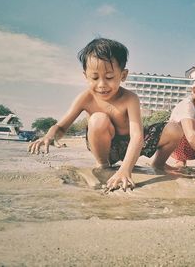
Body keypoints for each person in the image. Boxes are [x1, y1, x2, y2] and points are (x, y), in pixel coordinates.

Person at [28, 38, 165, 191]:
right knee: (98, 119)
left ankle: (159, 164)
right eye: (94, 77)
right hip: (105, 148)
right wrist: (49, 136)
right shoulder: (85, 98)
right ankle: (103, 165)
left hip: (130, 148)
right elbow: (61, 127)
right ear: (85, 76)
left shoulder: (130, 98)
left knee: (173, 129)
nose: (101, 85)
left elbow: (137, 136)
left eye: (109, 77)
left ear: (123, 75)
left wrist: (125, 169)